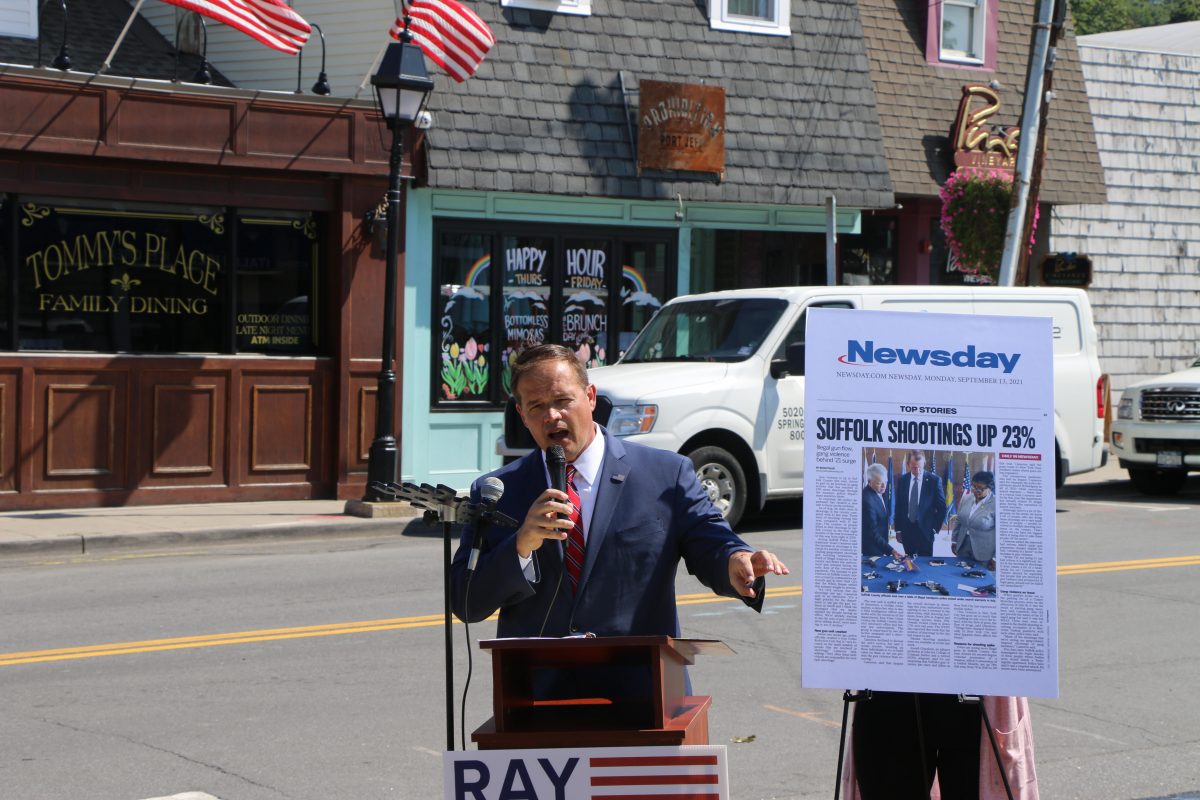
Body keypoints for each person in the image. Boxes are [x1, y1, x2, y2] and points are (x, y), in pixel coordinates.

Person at [450, 343, 788, 642]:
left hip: (639, 686)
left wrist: (736, 560)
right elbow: (467, 603)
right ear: (522, 415)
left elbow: (712, 541)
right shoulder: (497, 492)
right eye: (536, 406)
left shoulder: (666, 475)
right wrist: (521, 544)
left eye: (562, 400)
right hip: (535, 692)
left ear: (591, 397)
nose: (552, 415)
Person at [893, 450, 946, 558]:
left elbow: (942, 508)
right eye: (913, 467)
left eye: (919, 467)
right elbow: (899, 506)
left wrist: (934, 528)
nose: (917, 470)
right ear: (908, 464)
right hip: (907, 529)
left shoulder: (934, 481)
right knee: (909, 561)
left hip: (926, 531)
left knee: (925, 563)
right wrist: (898, 529)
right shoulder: (903, 480)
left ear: (924, 463)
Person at [952, 471, 997, 565]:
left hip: (984, 552)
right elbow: (959, 520)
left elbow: (1000, 533)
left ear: (990, 488)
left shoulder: (996, 504)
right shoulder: (966, 498)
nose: (976, 491)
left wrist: (995, 557)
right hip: (963, 547)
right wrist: (954, 541)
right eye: (974, 487)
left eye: (980, 488)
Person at [861, 463, 898, 559]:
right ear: (869, 481)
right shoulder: (866, 500)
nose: (884, 486)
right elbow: (872, 532)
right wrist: (891, 550)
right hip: (872, 550)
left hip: (880, 546)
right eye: (879, 483)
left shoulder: (881, 491)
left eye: (885, 481)